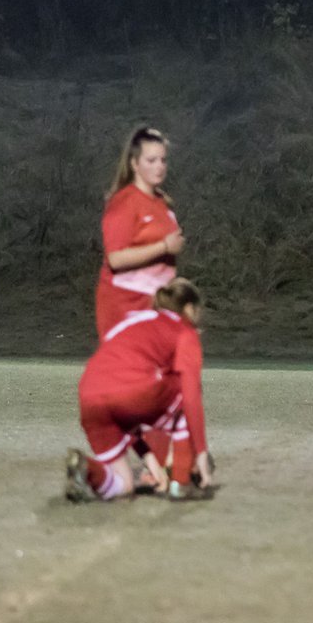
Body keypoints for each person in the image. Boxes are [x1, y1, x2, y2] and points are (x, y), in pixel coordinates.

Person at [66, 278, 214, 502]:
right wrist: (201, 451)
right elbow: (191, 394)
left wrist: (150, 461)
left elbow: (126, 414)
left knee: (123, 485)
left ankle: (87, 470)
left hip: (89, 393)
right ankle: (181, 482)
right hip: (129, 393)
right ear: (189, 308)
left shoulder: (133, 320)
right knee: (185, 393)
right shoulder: (184, 330)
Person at [95, 126, 185, 339]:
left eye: (163, 160)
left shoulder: (163, 203)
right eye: (151, 160)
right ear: (134, 164)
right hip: (125, 308)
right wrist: (163, 246)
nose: (159, 167)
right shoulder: (124, 202)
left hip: (155, 307)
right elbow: (116, 259)